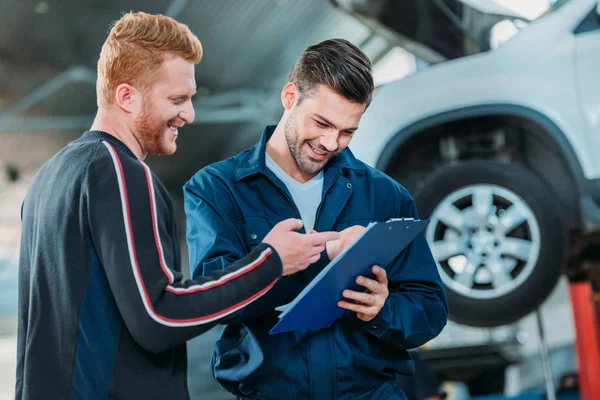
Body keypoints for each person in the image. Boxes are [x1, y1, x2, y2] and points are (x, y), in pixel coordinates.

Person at [15, 12, 339, 400]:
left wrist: (296, 266)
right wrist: (269, 261)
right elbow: (159, 316)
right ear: (126, 96)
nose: (189, 114)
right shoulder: (118, 171)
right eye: (177, 99)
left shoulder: (50, 178)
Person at [184, 38, 449, 400]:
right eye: (322, 123)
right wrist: (318, 257)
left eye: (347, 131)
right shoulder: (216, 189)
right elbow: (213, 301)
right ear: (290, 96)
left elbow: (430, 308)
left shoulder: (387, 196)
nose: (331, 142)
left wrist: (382, 309)